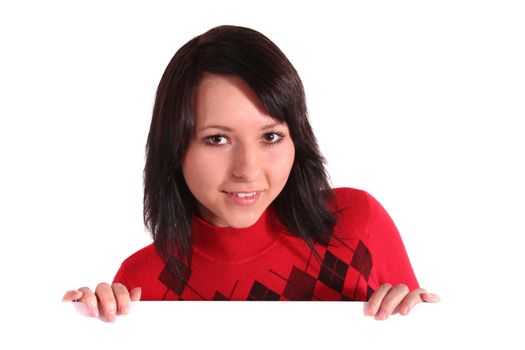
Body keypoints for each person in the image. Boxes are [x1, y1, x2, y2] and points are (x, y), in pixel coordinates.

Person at [63, 25, 439, 322]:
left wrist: (420, 319)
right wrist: (81, 325)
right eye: (217, 139)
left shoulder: (357, 224)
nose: (247, 169)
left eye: (271, 136)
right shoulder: (143, 281)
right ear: (175, 146)